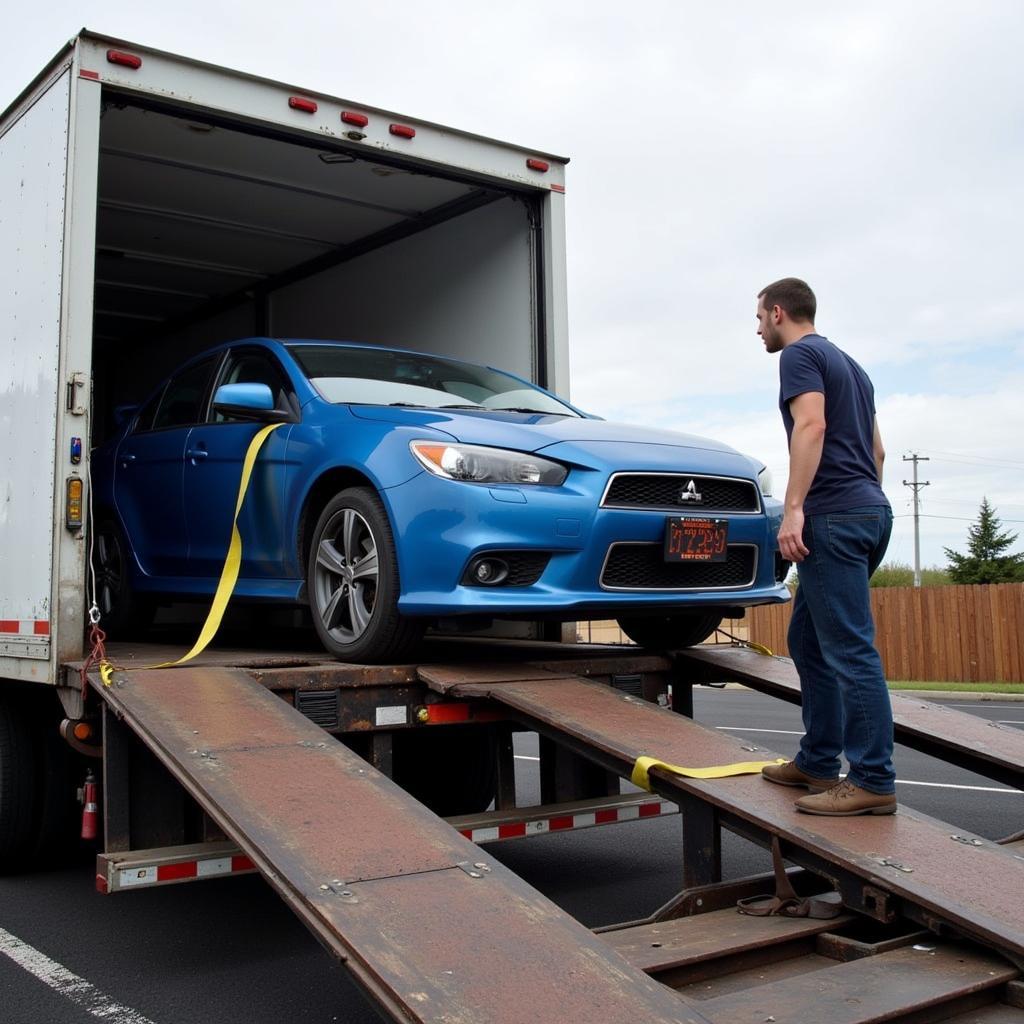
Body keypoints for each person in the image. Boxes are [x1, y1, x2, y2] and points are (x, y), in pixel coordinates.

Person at [755, 277, 896, 815]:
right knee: (810, 641)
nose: (757, 328)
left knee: (848, 649)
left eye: (760, 317)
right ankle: (817, 760)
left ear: (778, 312)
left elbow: (810, 426)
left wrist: (795, 509)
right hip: (868, 509)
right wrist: (863, 505)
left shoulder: (799, 356)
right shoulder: (852, 367)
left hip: (835, 515)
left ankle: (873, 780)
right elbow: (878, 452)